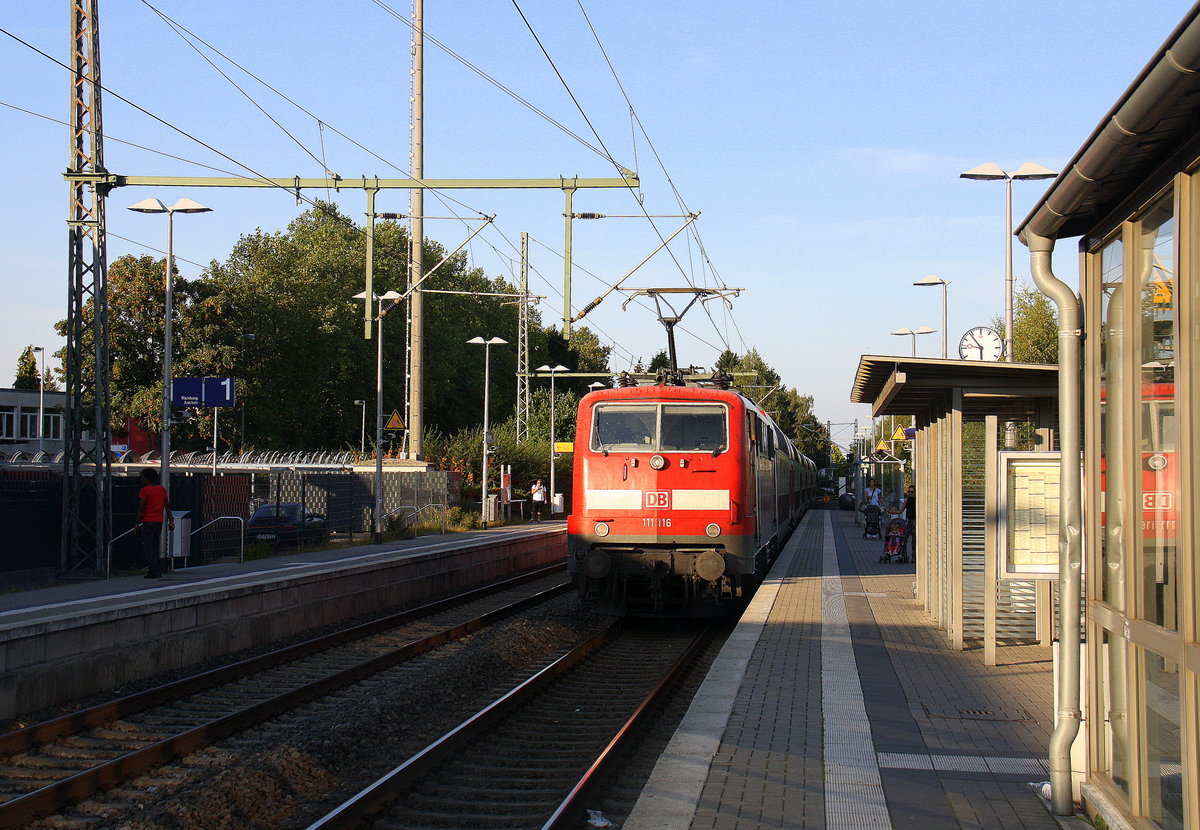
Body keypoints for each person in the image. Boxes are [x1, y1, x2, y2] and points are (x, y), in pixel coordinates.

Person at [136, 467, 174, 578]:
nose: (141, 480)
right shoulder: (162, 490)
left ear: (147, 479)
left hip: (148, 521)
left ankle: (155, 569)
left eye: (142, 478)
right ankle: (153, 569)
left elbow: (141, 508)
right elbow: (167, 506)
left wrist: (137, 522)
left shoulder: (144, 491)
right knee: (155, 545)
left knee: (148, 547)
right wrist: (171, 520)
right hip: (159, 521)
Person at [899, 483, 917, 558]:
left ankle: (914, 557)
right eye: (909, 492)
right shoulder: (907, 500)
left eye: (912, 492)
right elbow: (901, 510)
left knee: (915, 540)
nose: (910, 493)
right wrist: (893, 512)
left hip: (916, 521)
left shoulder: (918, 500)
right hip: (909, 520)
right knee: (904, 538)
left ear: (915, 492)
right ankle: (904, 555)